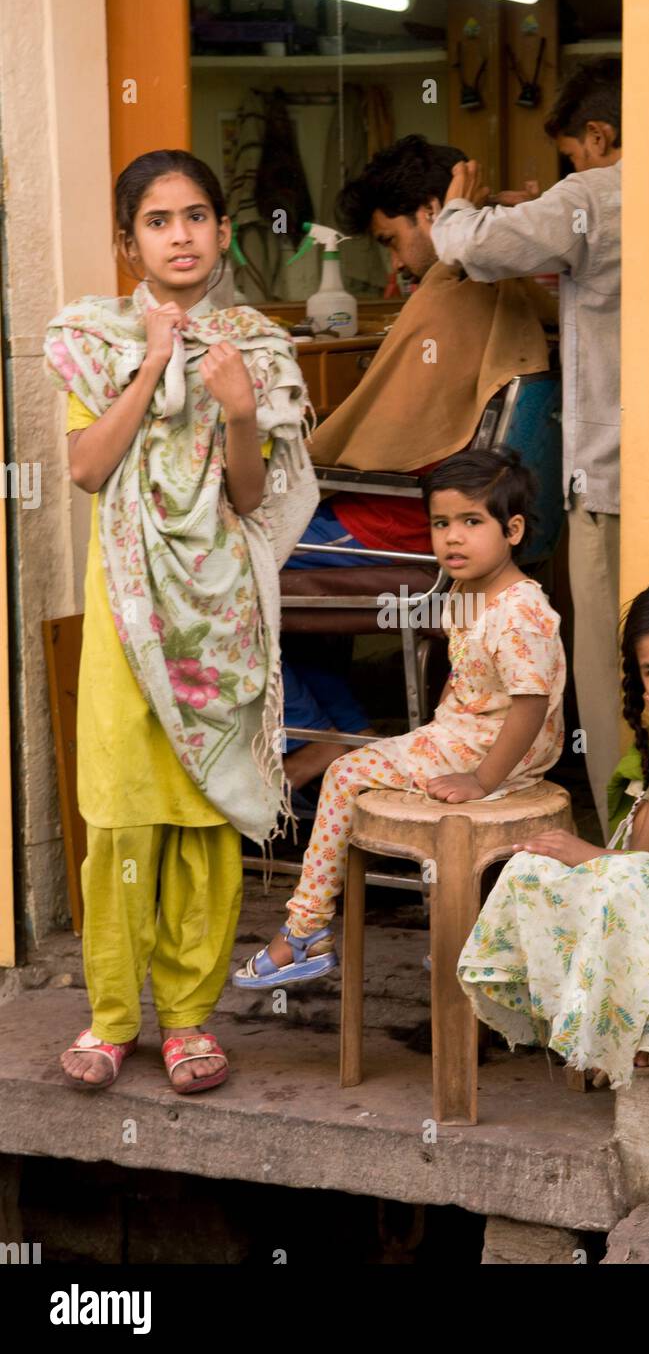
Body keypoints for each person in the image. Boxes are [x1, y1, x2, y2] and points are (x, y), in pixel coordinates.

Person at [45, 149, 317, 1093]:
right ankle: (114, 1016)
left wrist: (239, 412)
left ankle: (190, 1021)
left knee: (204, 816)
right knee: (122, 818)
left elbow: (249, 500)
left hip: (218, 618)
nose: (181, 235)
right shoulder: (94, 337)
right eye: (158, 221)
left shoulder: (254, 345)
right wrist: (155, 362)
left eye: (196, 216)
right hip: (129, 610)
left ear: (222, 231)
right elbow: (86, 470)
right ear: (129, 242)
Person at [233, 448, 566, 988]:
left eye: (471, 522)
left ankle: (306, 930)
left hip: (491, 751)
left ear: (513, 530)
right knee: (418, 804)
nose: (452, 538)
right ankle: (454, 937)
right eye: (440, 523)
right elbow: (469, 670)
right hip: (467, 736)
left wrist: (483, 780)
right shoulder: (467, 590)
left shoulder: (520, 609)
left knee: (344, 776)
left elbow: (531, 705)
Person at [279, 134, 551, 793]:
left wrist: (298, 455)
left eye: (390, 237)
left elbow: (373, 435)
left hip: (401, 529)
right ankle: (342, 734)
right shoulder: (493, 277)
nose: (393, 257)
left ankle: (316, 735)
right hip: (442, 517)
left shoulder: (451, 290)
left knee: (223, 565)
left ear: (433, 212)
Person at [457, 574, 649, 1089]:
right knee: (533, 867)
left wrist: (597, 858)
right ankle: (592, 1025)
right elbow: (646, 853)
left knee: (617, 879)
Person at [429, 60, 622, 837]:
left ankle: (618, 842)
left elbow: (468, 247)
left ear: (600, 135)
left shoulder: (596, 192)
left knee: (609, 675)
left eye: (573, 152)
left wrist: (455, 206)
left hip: (608, 477)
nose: (570, 171)